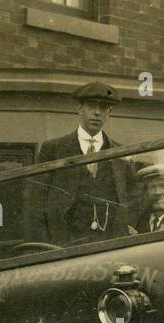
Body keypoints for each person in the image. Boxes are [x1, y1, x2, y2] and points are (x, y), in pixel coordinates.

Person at [35, 81, 133, 243]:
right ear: (79, 108)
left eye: (103, 108)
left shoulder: (121, 153)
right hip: (64, 242)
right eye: (91, 106)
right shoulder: (53, 149)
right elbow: (36, 201)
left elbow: (132, 198)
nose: (97, 113)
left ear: (109, 112)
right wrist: (44, 245)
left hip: (108, 243)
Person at [134, 164, 164, 232]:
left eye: (163, 186)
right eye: (152, 187)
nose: (157, 192)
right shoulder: (137, 224)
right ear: (146, 192)